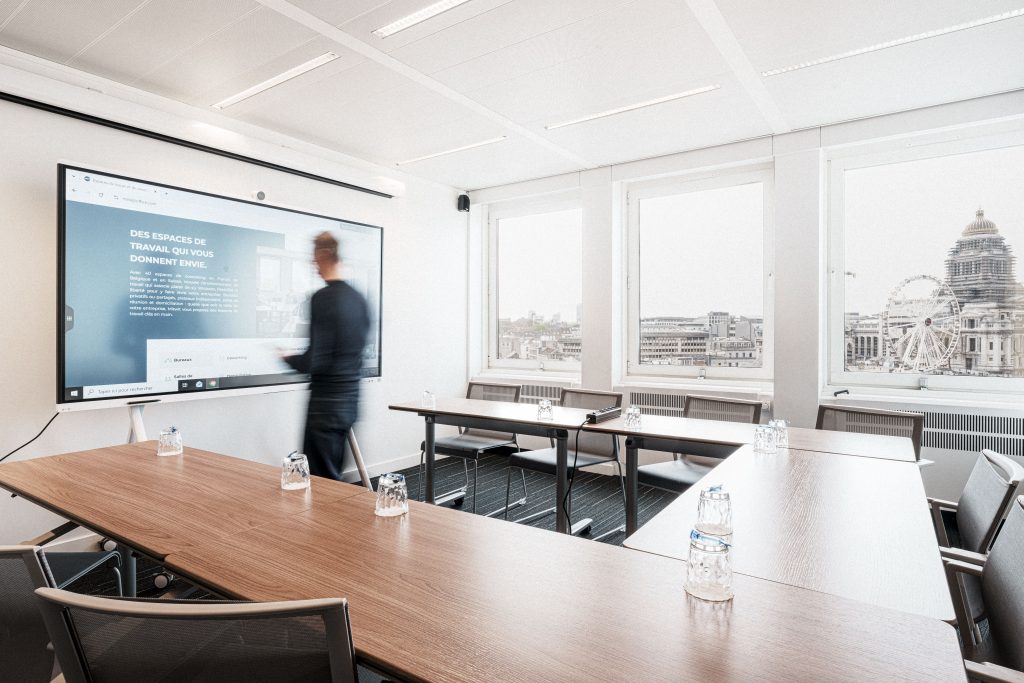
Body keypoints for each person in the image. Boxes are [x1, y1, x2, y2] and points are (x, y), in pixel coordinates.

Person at [284, 231, 370, 480]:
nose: (313, 266)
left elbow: (314, 360)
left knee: (320, 483)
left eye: (314, 259)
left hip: (325, 407)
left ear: (324, 255)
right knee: (333, 477)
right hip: (350, 402)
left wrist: (287, 357)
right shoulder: (359, 299)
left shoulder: (322, 298)